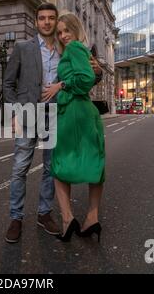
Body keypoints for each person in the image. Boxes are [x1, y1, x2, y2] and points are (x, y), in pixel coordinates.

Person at [3, 4, 102, 244]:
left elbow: (91, 73)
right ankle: (16, 218)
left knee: (51, 169)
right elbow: (8, 83)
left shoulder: (64, 47)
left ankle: (44, 214)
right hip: (29, 114)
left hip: (58, 115)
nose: (47, 22)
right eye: (42, 18)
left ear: (56, 22)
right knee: (20, 168)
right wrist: (15, 111)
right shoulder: (23, 48)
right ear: (36, 21)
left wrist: (98, 69)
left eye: (51, 18)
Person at [42, 13, 106, 243]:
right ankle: (92, 218)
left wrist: (61, 84)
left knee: (59, 165)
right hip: (81, 112)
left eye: (66, 30)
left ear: (76, 29)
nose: (63, 35)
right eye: (60, 33)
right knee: (93, 161)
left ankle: (68, 219)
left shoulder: (75, 48)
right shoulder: (79, 49)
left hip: (73, 112)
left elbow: (85, 78)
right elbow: (91, 74)